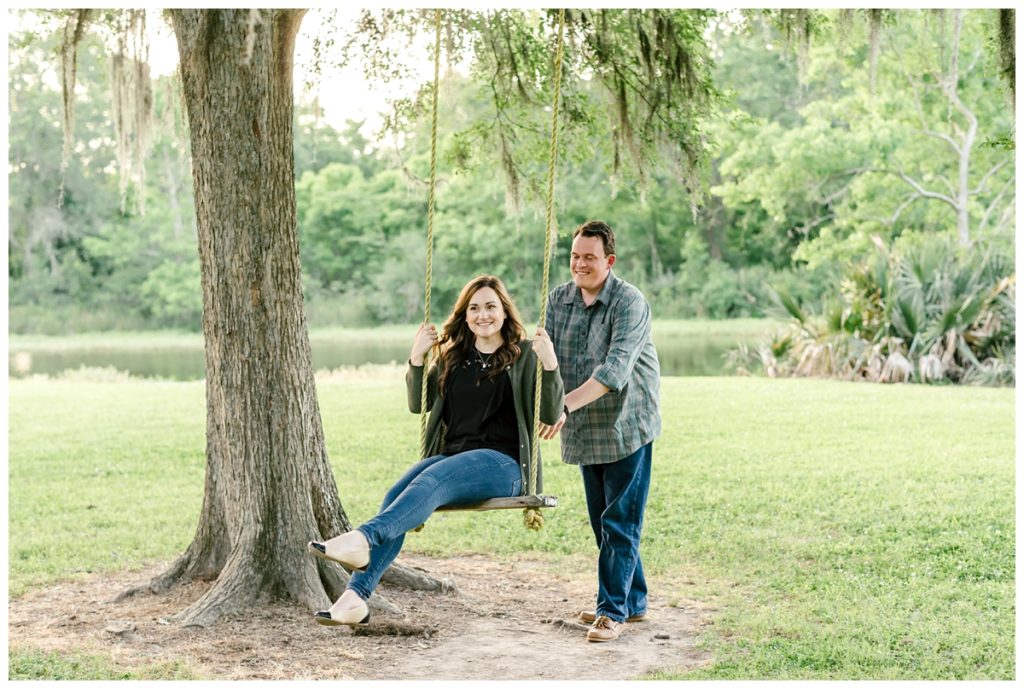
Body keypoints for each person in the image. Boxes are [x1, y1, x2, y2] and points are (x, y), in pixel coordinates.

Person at [308, 275, 564, 626]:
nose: (482, 314)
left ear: (505, 311)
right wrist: (416, 357)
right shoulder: (452, 358)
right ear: (465, 315)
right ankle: (355, 598)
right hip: (453, 458)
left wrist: (550, 364)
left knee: (434, 480)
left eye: (491, 306)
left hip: (504, 466)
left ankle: (364, 538)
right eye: (474, 308)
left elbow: (550, 413)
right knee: (397, 493)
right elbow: (419, 404)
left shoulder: (524, 357)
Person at [540, 220, 661, 643]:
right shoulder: (559, 300)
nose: (580, 264)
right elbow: (547, 362)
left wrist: (562, 406)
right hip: (584, 429)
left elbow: (614, 371)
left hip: (627, 423)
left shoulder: (629, 302)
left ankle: (611, 612)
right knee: (603, 522)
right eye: (575, 256)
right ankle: (635, 599)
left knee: (619, 522)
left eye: (589, 257)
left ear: (608, 260)